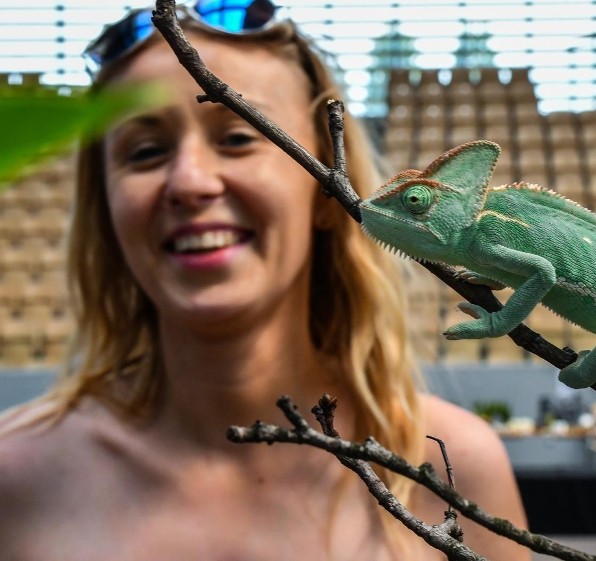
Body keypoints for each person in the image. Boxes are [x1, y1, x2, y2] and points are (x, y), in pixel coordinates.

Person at [0, 2, 529, 560]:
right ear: (105, 206)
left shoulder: (455, 467)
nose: (190, 182)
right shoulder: (16, 476)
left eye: (238, 138)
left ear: (329, 188)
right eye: (146, 151)